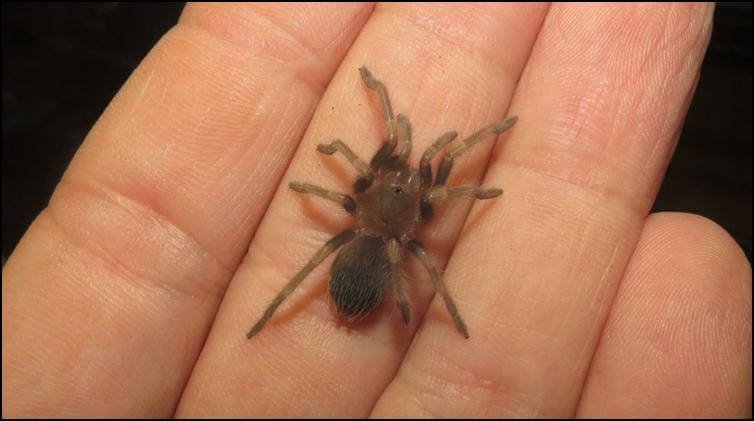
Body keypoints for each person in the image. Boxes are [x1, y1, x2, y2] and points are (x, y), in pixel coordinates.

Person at [2, 3, 750, 418]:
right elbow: (388, 175)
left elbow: (389, 175)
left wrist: (470, 166)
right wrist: (452, 176)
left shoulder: (383, 204)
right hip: (375, 249)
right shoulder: (396, 211)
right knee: (363, 243)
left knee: (370, 236)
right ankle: (271, 315)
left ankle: (273, 315)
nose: (410, 168)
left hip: (373, 247)